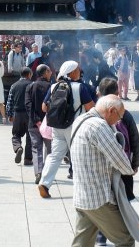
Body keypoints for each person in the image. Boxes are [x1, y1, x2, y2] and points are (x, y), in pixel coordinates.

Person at [69, 95, 136, 247]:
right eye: (119, 117)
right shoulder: (99, 126)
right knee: (125, 239)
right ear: (111, 110)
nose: (118, 122)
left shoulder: (81, 119)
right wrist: (130, 170)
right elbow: (121, 161)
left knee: (82, 242)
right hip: (99, 198)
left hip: (82, 195)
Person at [38, 60, 96, 199]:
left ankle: (44, 183)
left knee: (54, 156)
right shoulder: (80, 87)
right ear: (72, 72)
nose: (79, 71)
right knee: (78, 157)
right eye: (78, 69)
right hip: (75, 127)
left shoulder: (54, 86)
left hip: (57, 126)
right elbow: (91, 108)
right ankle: (83, 189)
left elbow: (44, 108)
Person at [26, 64, 53, 184]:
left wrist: (36, 120)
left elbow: (28, 105)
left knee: (36, 148)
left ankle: (38, 172)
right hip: (49, 124)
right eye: (49, 71)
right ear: (46, 72)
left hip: (34, 124)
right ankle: (47, 172)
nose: (51, 73)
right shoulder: (51, 87)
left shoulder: (31, 86)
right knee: (49, 149)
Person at [6, 66, 34, 165]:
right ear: (29, 74)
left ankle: (18, 147)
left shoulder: (14, 85)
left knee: (16, 135)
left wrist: (10, 114)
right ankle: (28, 159)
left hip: (17, 114)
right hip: (29, 114)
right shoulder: (32, 85)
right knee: (30, 136)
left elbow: (9, 101)